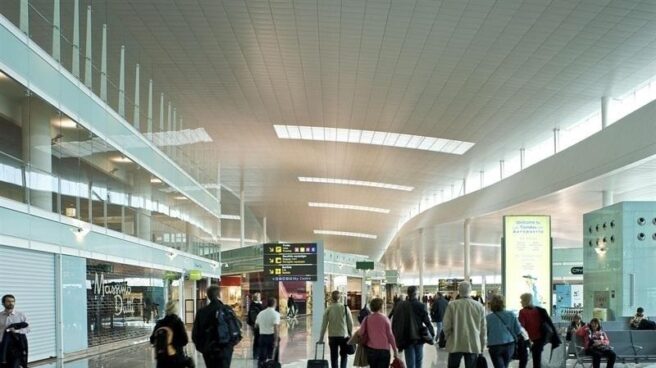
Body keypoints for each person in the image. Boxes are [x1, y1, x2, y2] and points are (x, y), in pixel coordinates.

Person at [192, 285, 240, 368]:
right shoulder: (226, 310)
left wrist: (203, 348)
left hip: (208, 349)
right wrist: (230, 346)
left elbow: (195, 334)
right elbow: (236, 327)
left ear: (208, 296)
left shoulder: (201, 312)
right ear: (219, 295)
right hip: (225, 348)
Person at [442, 282, 487, 368]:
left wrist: (448, 337)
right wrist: (482, 345)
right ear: (470, 291)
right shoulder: (479, 306)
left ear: (459, 291)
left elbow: (446, 325)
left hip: (455, 342)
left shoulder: (452, 305)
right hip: (472, 343)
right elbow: (483, 328)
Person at [390, 286, 435, 368]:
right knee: (419, 360)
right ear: (416, 294)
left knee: (410, 362)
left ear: (408, 294)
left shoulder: (401, 305)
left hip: (407, 337)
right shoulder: (420, 305)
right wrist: (432, 334)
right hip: (419, 337)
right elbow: (427, 322)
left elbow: (395, 322)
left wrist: (396, 337)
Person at [518, 293, 561, 368]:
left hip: (531, 338)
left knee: (526, 358)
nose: (520, 302)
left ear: (525, 301)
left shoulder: (522, 312)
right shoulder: (539, 310)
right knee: (537, 359)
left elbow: (522, 327)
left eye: (521, 300)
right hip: (541, 338)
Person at [359, 298, 399, 368]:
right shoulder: (385, 319)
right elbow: (390, 336)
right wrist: (395, 350)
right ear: (381, 307)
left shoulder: (367, 318)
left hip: (371, 350)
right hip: (384, 350)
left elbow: (361, 333)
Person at [150, 300, 192, 368]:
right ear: (176, 310)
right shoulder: (178, 322)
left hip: (161, 358)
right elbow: (184, 340)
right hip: (176, 358)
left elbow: (152, 339)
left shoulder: (159, 323)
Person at [319, 290, 354, 368]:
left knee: (334, 356)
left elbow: (324, 325)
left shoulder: (328, 309)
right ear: (339, 298)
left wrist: (321, 339)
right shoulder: (345, 308)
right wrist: (351, 334)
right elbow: (350, 323)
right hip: (343, 336)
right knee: (344, 355)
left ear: (331, 298)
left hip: (332, 336)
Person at [486, 295, 521, 368]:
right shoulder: (511, 314)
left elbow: (485, 332)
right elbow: (518, 330)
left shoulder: (488, 318)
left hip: (494, 346)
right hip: (509, 344)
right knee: (505, 365)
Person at [0, 295, 29, 368]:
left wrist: (17, 331)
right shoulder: (0, 316)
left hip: (17, 345)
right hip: (3, 345)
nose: (11, 303)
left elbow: (28, 329)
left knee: (14, 365)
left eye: (13, 301)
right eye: (8, 301)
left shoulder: (20, 315)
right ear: (3, 303)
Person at [255, 297, 281, 367]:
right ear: (275, 304)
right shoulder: (276, 314)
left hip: (262, 337)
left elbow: (256, 325)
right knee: (272, 357)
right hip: (271, 337)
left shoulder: (261, 313)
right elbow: (276, 328)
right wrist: (276, 340)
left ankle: (261, 366)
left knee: (262, 356)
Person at [247, 293, 265, 359]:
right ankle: (256, 354)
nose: (260, 297)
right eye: (259, 296)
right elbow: (255, 315)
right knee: (258, 340)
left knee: (257, 339)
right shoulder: (255, 305)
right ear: (256, 297)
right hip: (257, 325)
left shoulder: (255, 304)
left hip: (257, 325)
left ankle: (257, 354)